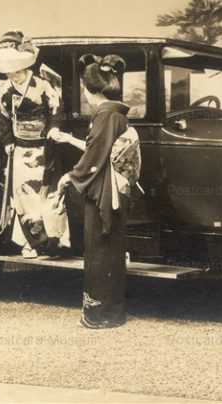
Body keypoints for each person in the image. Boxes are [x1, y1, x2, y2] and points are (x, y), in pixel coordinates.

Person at [58, 54, 131, 329]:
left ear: (90, 89)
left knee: (98, 249)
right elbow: (97, 149)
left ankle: (98, 315)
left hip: (102, 191)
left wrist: (69, 177)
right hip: (116, 189)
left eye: (83, 89)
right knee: (111, 249)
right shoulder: (117, 112)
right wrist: (70, 140)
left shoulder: (103, 115)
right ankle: (114, 312)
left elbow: (93, 159)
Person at [0, 31, 72, 257]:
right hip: (20, 147)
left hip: (44, 146)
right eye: (8, 71)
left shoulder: (43, 86)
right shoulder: (5, 90)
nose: (12, 75)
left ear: (24, 66)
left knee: (50, 192)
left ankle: (55, 240)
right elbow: (3, 118)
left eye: (16, 69)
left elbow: (55, 109)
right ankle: (31, 243)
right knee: (25, 196)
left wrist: (54, 127)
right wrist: (7, 141)